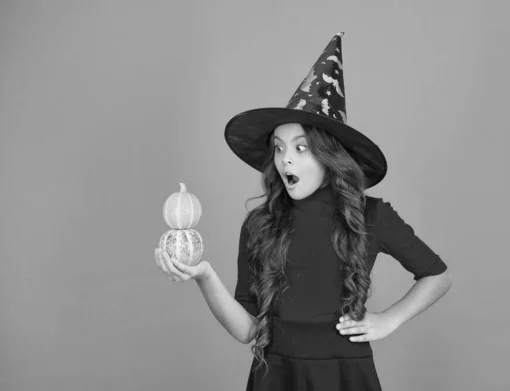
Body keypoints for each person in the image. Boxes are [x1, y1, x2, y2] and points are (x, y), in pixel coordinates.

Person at [155, 32, 452, 391]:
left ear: (329, 156)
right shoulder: (260, 224)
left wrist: (389, 319)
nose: (286, 159)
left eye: (301, 148)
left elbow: (437, 276)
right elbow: (247, 329)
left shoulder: (371, 215)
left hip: (346, 375)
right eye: (279, 149)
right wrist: (204, 276)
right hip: (276, 375)